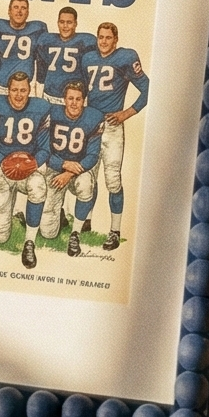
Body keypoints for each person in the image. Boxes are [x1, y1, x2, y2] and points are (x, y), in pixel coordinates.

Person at [81, 20, 149, 251]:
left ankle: (115, 230)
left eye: (108, 37)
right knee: (88, 178)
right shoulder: (88, 58)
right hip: (90, 126)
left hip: (111, 127)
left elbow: (148, 87)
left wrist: (126, 113)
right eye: (100, 37)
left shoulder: (125, 57)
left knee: (112, 180)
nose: (103, 41)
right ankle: (86, 221)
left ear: (116, 39)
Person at [0, 69, 51, 268]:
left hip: (29, 170)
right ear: (8, 90)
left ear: (30, 91)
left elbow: (45, 148)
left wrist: (31, 164)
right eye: (15, 90)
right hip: (3, 169)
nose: (19, 95)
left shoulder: (41, 108)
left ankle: (29, 242)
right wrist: (7, 163)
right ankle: (8, 215)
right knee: (0, 237)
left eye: (23, 90)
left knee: (39, 185)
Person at [38, 77, 104, 256]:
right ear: (64, 99)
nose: (74, 103)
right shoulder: (52, 113)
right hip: (56, 169)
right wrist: (62, 164)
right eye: (71, 98)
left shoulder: (93, 117)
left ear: (84, 101)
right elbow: (43, 149)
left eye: (78, 99)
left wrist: (68, 173)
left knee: (86, 184)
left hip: (78, 170)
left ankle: (75, 233)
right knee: (48, 233)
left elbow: (92, 155)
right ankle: (56, 219)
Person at [34, 5, 96, 105]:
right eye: (62, 22)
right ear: (58, 23)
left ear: (75, 24)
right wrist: (38, 100)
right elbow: (40, 76)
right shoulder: (46, 40)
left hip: (74, 100)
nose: (65, 26)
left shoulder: (86, 41)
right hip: (49, 96)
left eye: (69, 22)